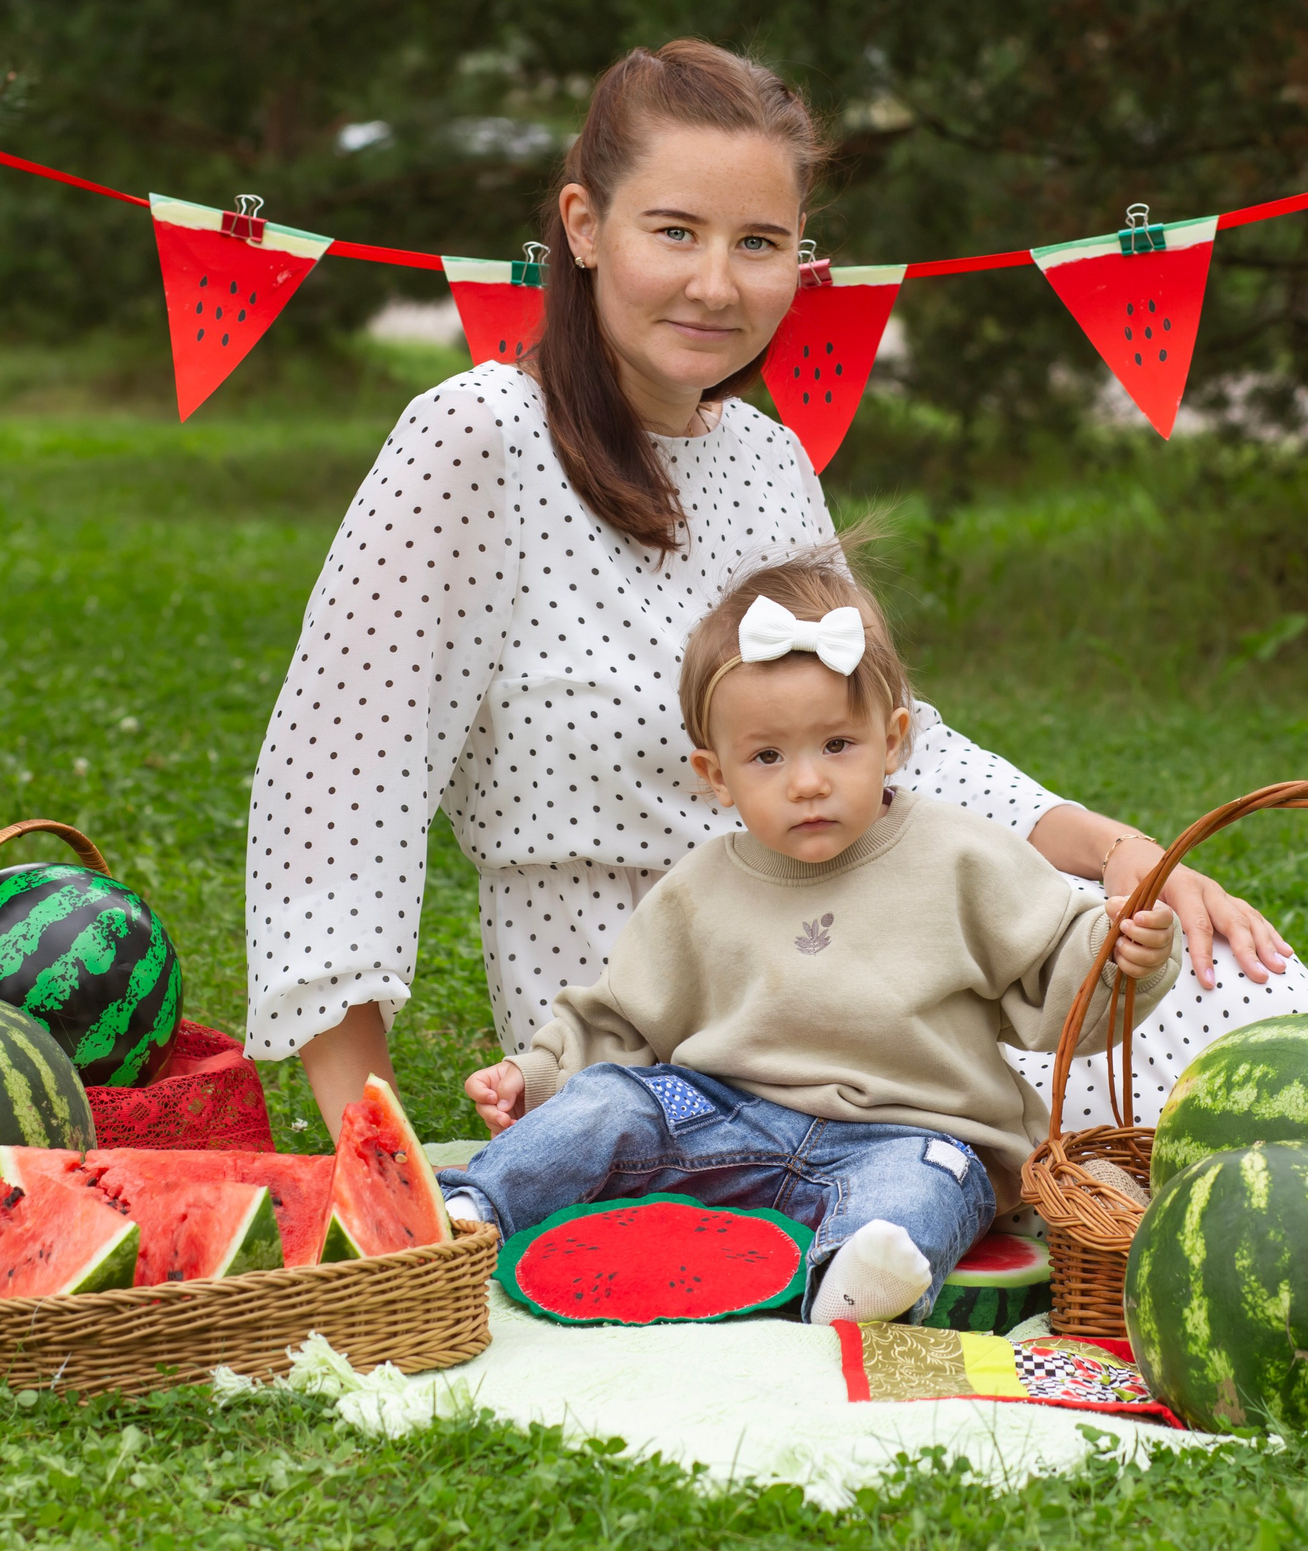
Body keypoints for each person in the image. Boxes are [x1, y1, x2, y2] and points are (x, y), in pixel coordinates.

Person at [244, 38, 1308, 1140]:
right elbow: (338, 799)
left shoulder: (766, 458)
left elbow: (889, 738)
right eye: (674, 231)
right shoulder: (475, 440)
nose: (716, 285)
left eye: (758, 243)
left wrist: (1119, 856)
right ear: (581, 224)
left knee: (1237, 998)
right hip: (668, 1022)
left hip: (873, 928)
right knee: (1117, 1119)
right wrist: (365, 1150)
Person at [437, 550, 1182, 1323]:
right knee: (608, 1107)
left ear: (893, 739)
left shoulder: (964, 857)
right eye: (767, 756)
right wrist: (541, 1074)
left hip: (909, 1129)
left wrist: (1126, 955)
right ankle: (469, 1214)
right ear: (715, 775)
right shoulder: (698, 888)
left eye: (837, 745)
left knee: (927, 1185)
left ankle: (860, 1280)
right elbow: (621, 1020)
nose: (807, 782)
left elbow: (1063, 980)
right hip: (721, 1121)